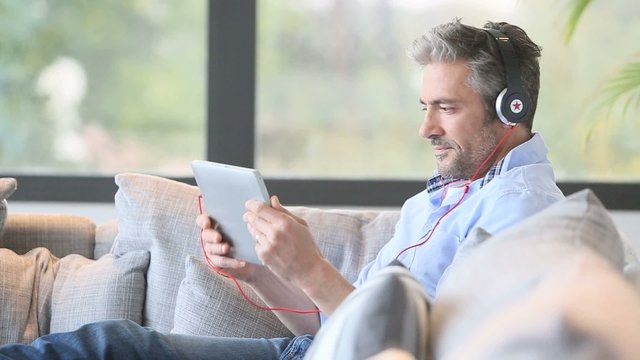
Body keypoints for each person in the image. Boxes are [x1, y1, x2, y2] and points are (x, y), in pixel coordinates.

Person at [0, 18, 564, 359]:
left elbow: (418, 352)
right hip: (310, 350)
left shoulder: (524, 215)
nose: (426, 128)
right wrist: (262, 272)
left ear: (511, 109)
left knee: (112, 349)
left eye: (446, 108)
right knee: (110, 345)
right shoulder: (439, 198)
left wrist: (310, 266)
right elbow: (328, 324)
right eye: (424, 107)